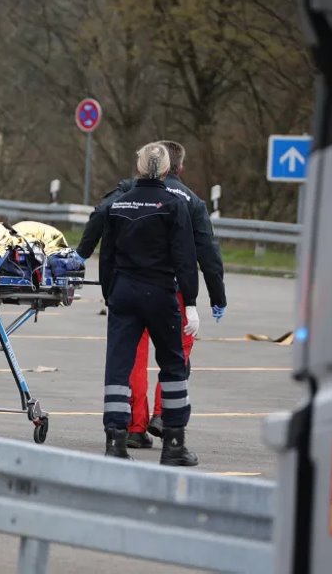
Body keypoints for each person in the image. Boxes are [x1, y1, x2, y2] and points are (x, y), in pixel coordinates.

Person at [77, 139, 227, 449]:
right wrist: (213, 298)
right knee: (176, 359)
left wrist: (96, 275)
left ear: (141, 165)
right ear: (177, 167)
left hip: (125, 291)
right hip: (168, 291)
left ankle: (132, 428)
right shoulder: (189, 202)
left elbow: (102, 225)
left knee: (130, 361)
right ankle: (167, 423)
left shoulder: (124, 195)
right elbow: (202, 256)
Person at [100, 142, 199, 466]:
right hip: (160, 292)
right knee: (172, 365)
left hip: (124, 291)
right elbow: (185, 258)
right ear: (168, 170)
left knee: (119, 366)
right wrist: (192, 301)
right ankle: (173, 443)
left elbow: (108, 256)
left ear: (139, 168)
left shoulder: (120, 204)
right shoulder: (173, 204)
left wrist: (109, 292)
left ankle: (116, 441)